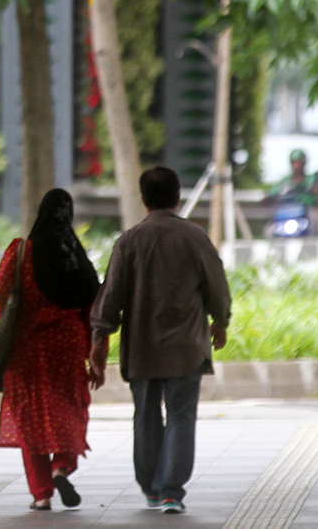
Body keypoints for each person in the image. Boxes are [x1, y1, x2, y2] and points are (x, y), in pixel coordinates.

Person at [89, 166, 232, 515]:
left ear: (143, 199)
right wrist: (220, 320)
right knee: (182, 415)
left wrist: (99, 336)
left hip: (142, 348)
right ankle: (171, 491)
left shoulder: (130, 241)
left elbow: (111, 295)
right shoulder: (194, 237)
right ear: (178, 196)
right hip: (186, 347)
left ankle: (151, 488)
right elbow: (216, 284)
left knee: (146, 415)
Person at [0, 188, 99, 511]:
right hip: (68, 346)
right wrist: (97, 355)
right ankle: (62, 466)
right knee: (69, 407)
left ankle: (41, 494)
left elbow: (0, 294)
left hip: (26, 348)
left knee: (30, 416)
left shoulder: (21, 252)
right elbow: (93, 310)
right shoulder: (76, 259)